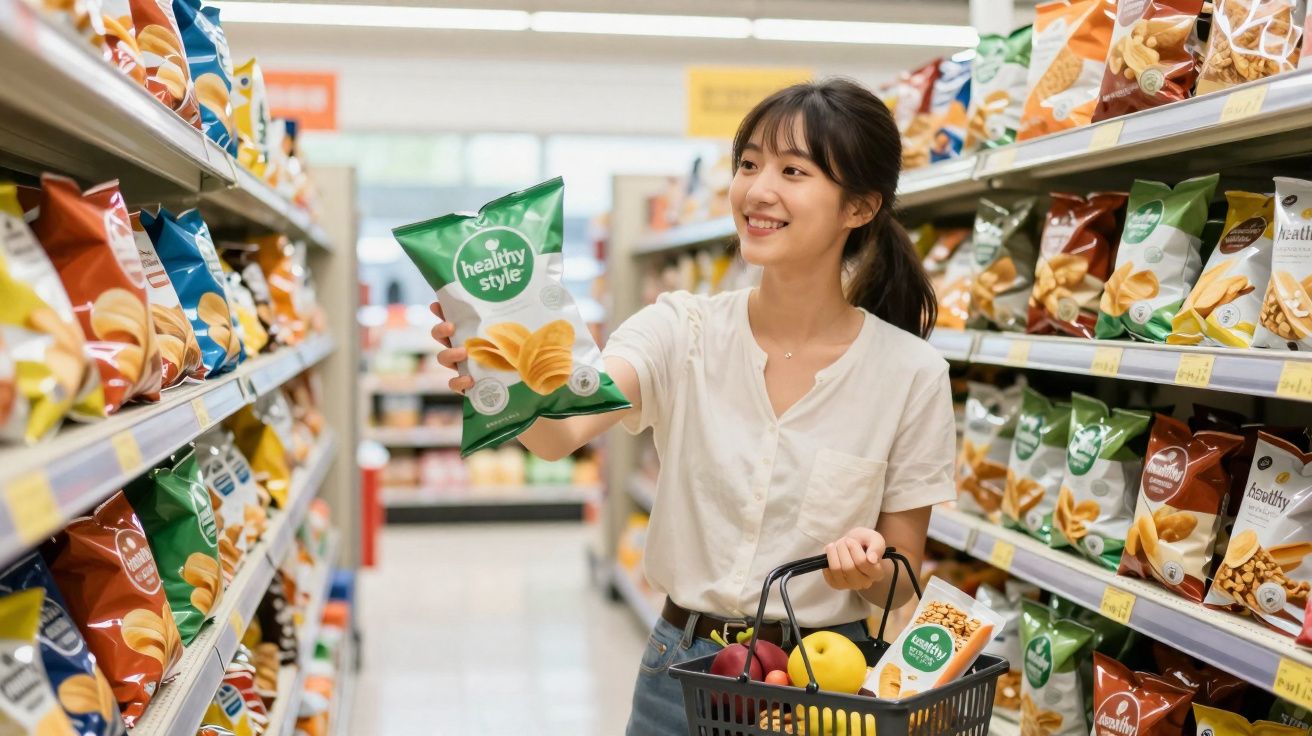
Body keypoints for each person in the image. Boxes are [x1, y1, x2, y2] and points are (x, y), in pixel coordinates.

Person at [430, 78, 956, 735]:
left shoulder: (911, 374)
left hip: (828, 687)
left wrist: (869, 569)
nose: (757, 190)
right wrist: (500, 383)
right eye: (748, 164)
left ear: (860, 207)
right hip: (685, 670)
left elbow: (900, 584)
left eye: (793, 171)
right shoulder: (680, 329)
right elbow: (561, 436)